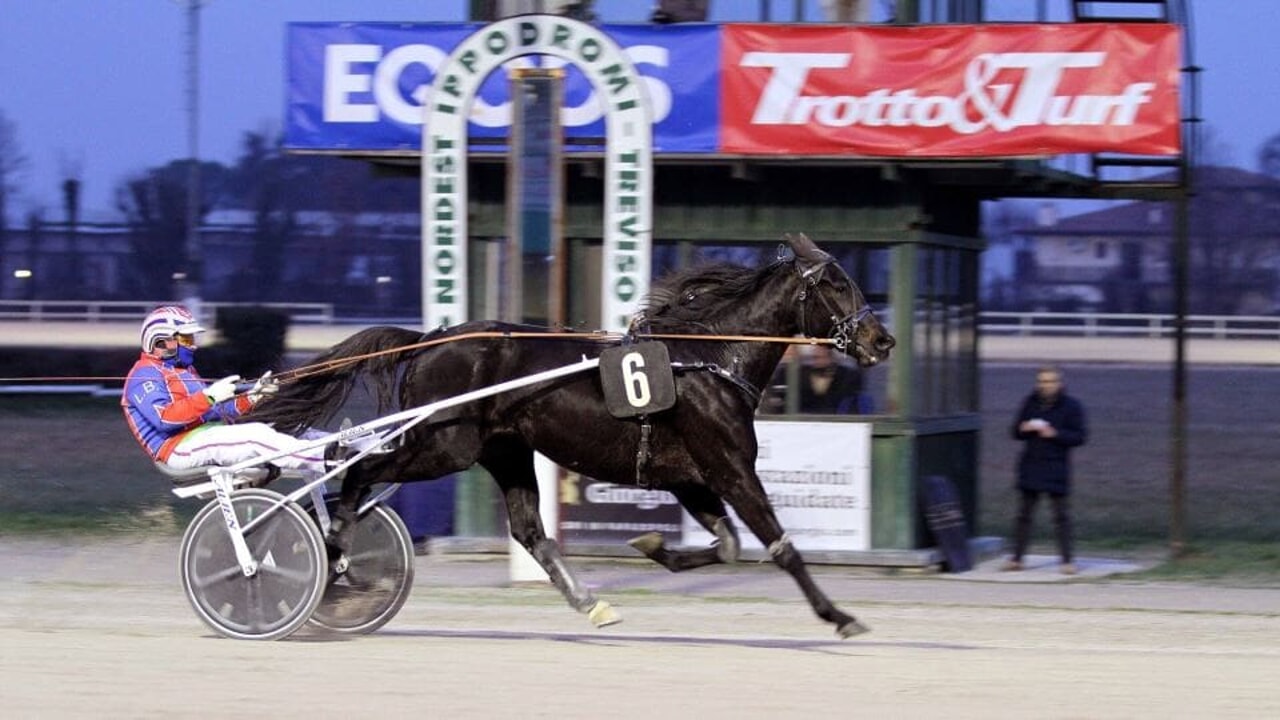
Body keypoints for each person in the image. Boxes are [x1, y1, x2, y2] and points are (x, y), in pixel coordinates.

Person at [121, 305, 329, 476]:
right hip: (178, 447)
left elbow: (218, 411)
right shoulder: (144, 375)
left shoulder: (184, 371)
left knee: (282, 426)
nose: (193, 345)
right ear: (160, 341)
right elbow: (165, 419)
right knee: (256, 435)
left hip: (209, 435)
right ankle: (324, 459)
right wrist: (209, 396)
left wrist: (253, 396)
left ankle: (349, 447)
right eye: (186, 339)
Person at [1002, 365, 1088, 575]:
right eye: (1042, 381)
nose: (1045, 385)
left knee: (1061, 516)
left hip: (1056, 466)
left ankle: (1067, 561)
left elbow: (1080, 436)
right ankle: (1017, 559)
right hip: (1031, 464)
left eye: (1050, 381)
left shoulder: (1071, 406)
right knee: (1024, 515)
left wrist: (1055, 434)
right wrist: (1023, 429)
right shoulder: (1030, 403)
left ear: (1059, 383)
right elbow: (1014, 431)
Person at [797, 344, 863, 414]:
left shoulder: (845, 375)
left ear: (830, 357)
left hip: (835, 415)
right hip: (807, 416)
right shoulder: (803, 374)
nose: (818, 362)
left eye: (822, 357)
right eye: (815, 358)